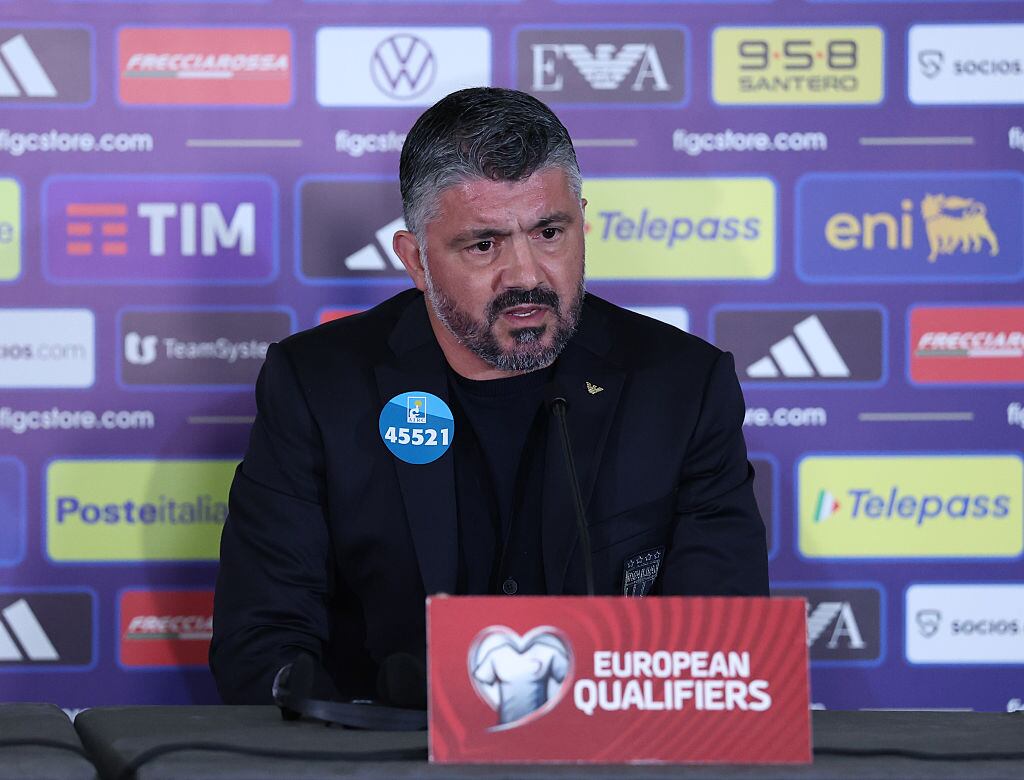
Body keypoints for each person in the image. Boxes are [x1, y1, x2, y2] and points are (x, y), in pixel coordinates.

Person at [210, 87, 768, 705]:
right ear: (416, 260)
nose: (527, 275)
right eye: (484, 245)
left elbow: (724, 649)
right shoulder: (317, 385)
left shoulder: (682, 387)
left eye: (549, 231)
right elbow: (261, 644)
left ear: (583, 222)